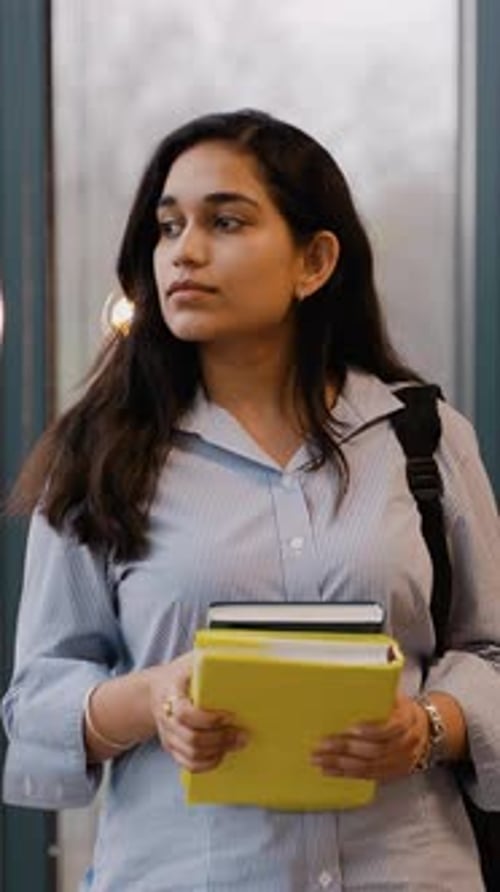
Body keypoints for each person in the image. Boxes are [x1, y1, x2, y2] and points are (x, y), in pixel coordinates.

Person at [2, 108, 500, 892]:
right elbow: (35, 704)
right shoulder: (98, 452)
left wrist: (432, 727)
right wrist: (152, 698)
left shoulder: (424, 438)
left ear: (315, 260)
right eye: (167, 228)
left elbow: (489, 650)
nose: (184, 253)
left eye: (224, 221)